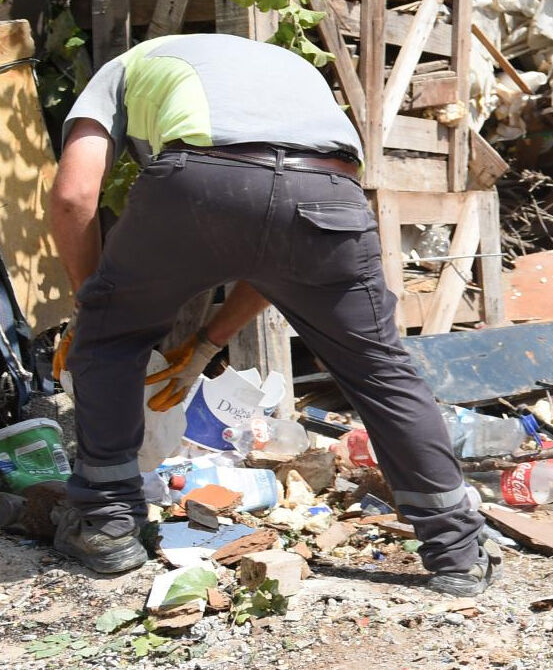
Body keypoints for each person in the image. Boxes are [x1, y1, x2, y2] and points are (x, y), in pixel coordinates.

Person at [46, 35, 490, 595]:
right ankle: (457, 553)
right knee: (380, 371)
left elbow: (73, 195)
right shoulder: (294, 72)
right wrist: (206, 343)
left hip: (197, 180)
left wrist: (95, 310)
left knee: (111, 341)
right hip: (328, 190)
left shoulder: (123, 68)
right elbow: (273, 249)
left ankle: (107, 524)